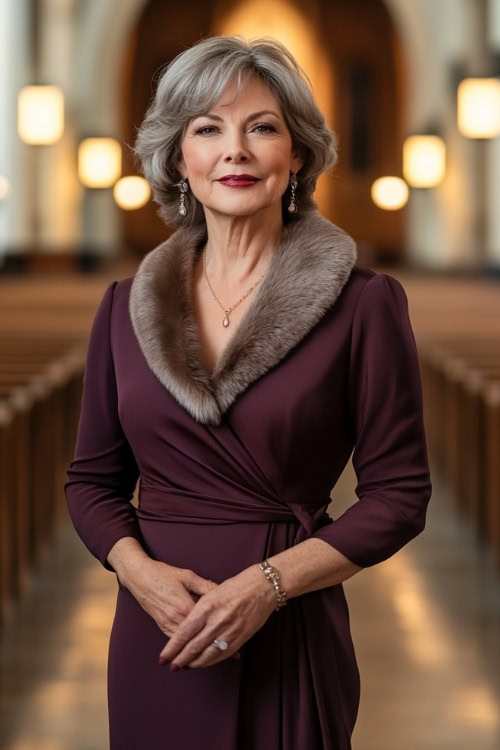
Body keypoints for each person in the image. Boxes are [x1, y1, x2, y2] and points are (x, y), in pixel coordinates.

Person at [64, 34, 432, 750]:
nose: (234, 150)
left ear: (295, 156)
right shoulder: (120, 305)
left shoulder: (365, 305)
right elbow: (91, 482)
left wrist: (268, 585)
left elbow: (400, 495)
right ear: (178, 158)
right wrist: (139, 575)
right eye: (208, 129)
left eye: (261, 127)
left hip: (288, 620)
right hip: (156, 632)